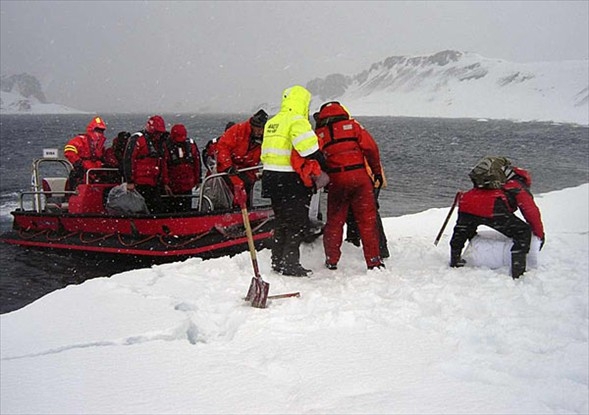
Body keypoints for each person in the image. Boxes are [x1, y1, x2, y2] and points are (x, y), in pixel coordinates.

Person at [261, 85, 327, 277]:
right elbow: (308, 150)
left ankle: (277, 260)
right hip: (290, 178)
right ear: (303, 102)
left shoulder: (273, 122)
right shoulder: (297, 121)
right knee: (297, 222)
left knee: (281, 220)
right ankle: (290, 263)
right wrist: (323, 162)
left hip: (270, 177)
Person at [315, 101, 385, 271]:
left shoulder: (320, 133)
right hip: (360, 177)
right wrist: (376, 172)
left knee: (335, 221)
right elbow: (371, 149)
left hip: (337, 180)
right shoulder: (353, 126)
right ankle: (374, 260)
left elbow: (316, 157)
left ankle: (332, 259)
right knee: (367, 220)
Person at [449, 160, 545, 279]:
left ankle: (455, 260)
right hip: (493, 208)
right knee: (523, 232)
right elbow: (531, 213)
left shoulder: (492, 182)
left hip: (467, 202)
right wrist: (540, 234)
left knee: (462, 231)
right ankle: (517, 270)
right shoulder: (517, 187)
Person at [216, 110, 268, 207]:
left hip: (246, 169)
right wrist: (228, 166)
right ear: (252, 126)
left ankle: (245, 211)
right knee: (239, 186)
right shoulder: (237, 130)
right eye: (258, 128)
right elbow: (223, 147)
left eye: (262, 129)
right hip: (229, 169)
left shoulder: (263, 138)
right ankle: (238, 210)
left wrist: (257, 172)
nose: (260, 132)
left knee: (248, 184)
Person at [122, 115, 170, 213]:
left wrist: (165, 182)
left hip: (154, 182)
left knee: (156, 208)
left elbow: (162, 163)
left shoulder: (160, 143)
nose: (159, 135)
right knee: (140, 209)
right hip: (139, 183)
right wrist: (130, 181)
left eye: (160, 133)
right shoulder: (137, 139)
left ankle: (155, 225)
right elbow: (128, 159)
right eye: (157, 132)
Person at [345, 163, 389, 258]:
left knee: (369, 213)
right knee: (355, 211)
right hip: (362, 174)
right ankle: (353, 242)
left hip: (365, 175)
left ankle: (380, 248)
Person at [161, 124, 201, 212]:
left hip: (187, 185)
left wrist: (198, 179)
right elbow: (163, 166)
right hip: (172, 187)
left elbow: (197, 163)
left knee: (185, 208)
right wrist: (166, 183)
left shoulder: (191, 145)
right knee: (172, 210)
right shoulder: (166, 147)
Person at [64, 116, 108, 189]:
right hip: (83, 172)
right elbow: (69, 151)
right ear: (91, 130)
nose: (99, 133)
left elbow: (102, 157)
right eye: (97, 130)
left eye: (101, 131)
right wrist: (78, 163)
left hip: (96, 173)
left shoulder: (100, 145)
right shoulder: (80, 140)